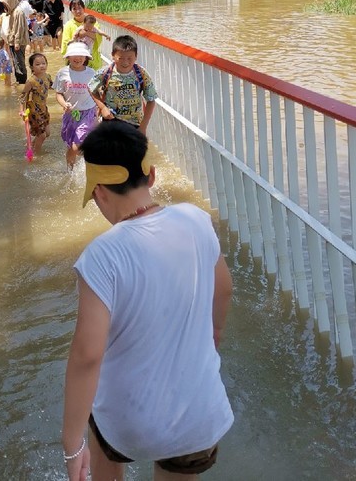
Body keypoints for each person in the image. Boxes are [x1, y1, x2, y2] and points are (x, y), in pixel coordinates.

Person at [62, 120, 233, 481]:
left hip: (128, 423)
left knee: (99, 423)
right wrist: (214, 333)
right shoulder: (196, 219)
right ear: (151, 175)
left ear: (100, 192)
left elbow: (87, 357)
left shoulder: (102, 256)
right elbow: (224, 289)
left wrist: (71, 442)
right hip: (198, 419)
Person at [89, 34, 157, 132]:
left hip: (135, 123)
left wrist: (143, 126)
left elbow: (151, 100)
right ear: (113, 55)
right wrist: (103, 107)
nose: (125, 62)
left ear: (136, 56)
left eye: (129, 58)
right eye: (121, 58)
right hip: (111, 121)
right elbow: (91, 88)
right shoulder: (105, 72)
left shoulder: (141, 73)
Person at [54, 42, 97, 169]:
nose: (78, 58)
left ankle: (86, 166)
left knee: (75, 145)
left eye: (81, 55)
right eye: (74, 55)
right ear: (68, 57)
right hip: (70, 113)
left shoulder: (92, 73)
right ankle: (70, 172)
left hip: (88, 112)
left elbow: (98, 93)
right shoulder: (62, 73)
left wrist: (99, 111)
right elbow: (58, 94)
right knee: (71, 145)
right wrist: (64, 103)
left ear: (86, 58)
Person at [19, 52, 52, 157]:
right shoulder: (31, 81)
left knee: (47, 133)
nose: (41, 66)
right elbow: (23, 96)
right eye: (37, 64)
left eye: (43, 63)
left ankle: (32, 145)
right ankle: (36, 155)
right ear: (32, 67)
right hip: (34, 111)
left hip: (44, 109)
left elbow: (52, 86)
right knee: (42, 135)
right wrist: (22, 111)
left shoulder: (47, 76)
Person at [61, 0, 103, 70]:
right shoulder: (68, 25)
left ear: (84, 9)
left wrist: (84, 33)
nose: (77, 11)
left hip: (93, 62)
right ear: (71, 11)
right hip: (76, 62)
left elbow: (98, 37)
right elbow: (65, 44)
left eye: (79, 8)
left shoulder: (93, 22)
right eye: (74, 9)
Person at [0, 0, 30, 85]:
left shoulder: (18, 12)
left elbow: (19, 29)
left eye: (5, 4)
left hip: (18, 42)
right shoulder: (13, 11)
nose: (5, 6)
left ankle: (22, 82)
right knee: (16, 62)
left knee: (19, 62)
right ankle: (19, 81)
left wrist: (17, 42)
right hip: (13, 41)